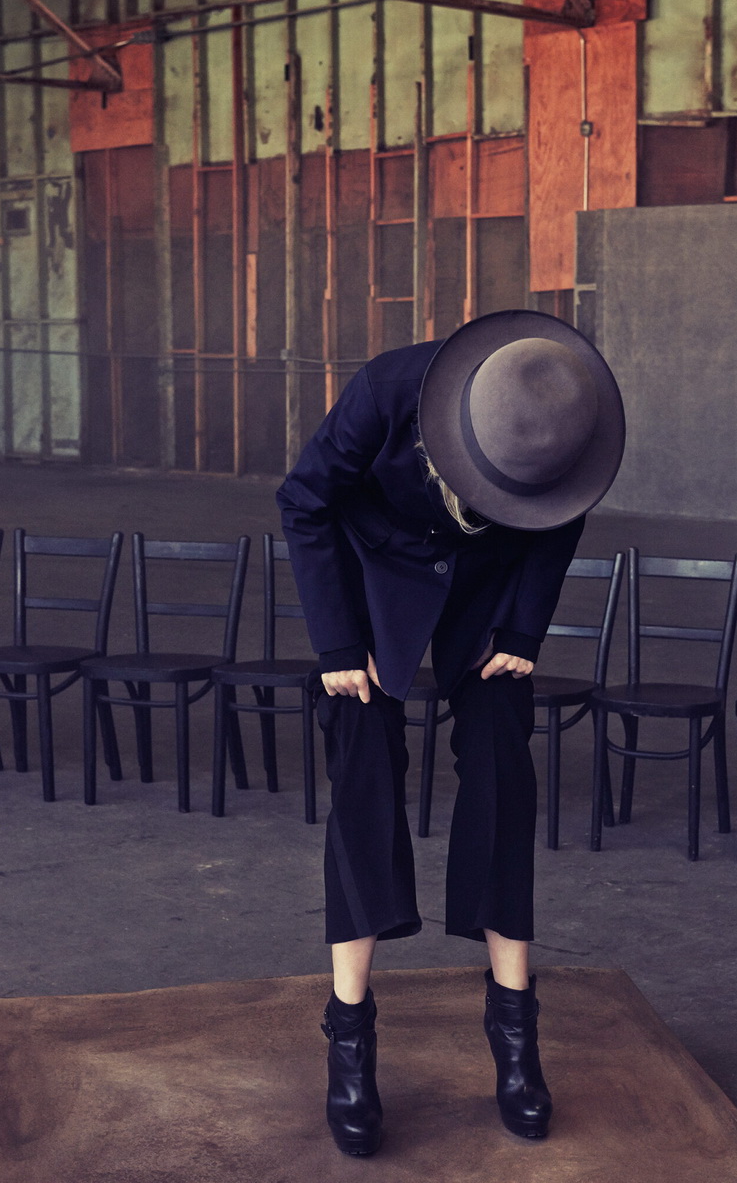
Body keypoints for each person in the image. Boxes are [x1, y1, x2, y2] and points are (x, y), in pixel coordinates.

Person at [276, 309, 624, 1156]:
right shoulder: (387, 388)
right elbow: (304, 500)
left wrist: (524, 630)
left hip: (487, 586)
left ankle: (514, 1027)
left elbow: (562, 520)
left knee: (504, 758)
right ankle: (350, 1030)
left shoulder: (568, 419)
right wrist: (336, 641)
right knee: (362, 758)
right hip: (372, 579)